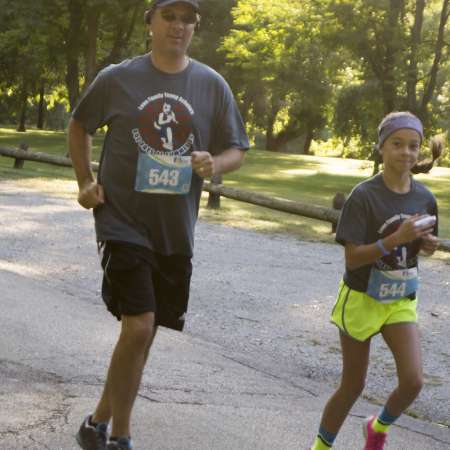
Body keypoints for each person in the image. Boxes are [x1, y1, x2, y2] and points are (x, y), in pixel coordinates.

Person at [68, 1, 249, 449]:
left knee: (142, 336)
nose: (178, 26)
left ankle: (96, 424)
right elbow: (79, 125)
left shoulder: (211, 84)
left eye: (187, 19)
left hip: (175, 229)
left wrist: (215, 163)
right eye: (169, 16)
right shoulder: (118, 78)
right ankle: (121, 438)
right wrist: (86, 181)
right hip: (122, 221)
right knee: (139, 325)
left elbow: (237, 150)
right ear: (150, 22)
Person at [308, 111, 442, 450]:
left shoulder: (425, 198)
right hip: (362, 297)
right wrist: (396, 238)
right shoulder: (364, 196)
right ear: (381, 147)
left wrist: (426, 246)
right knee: (353, 384)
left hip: (400, 297)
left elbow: (421, 248)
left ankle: (378, 426)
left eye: (413, 146)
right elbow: (352, 257)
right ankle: (321, 447)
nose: (406, 153)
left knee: (413, 381)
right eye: (397, 144)